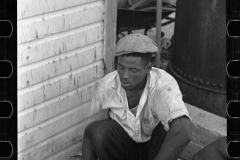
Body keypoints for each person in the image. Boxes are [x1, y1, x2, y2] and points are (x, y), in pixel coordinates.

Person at [82, 33, 192, 160]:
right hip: (124, 150)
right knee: (98, 130)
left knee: (171, 124)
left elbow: (184, 132)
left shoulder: (163, 85)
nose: (125, 76)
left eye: (133, 70)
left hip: (155, 151)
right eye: (121, 67)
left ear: (148, 68)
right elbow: (90, 133)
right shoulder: (106, 86)